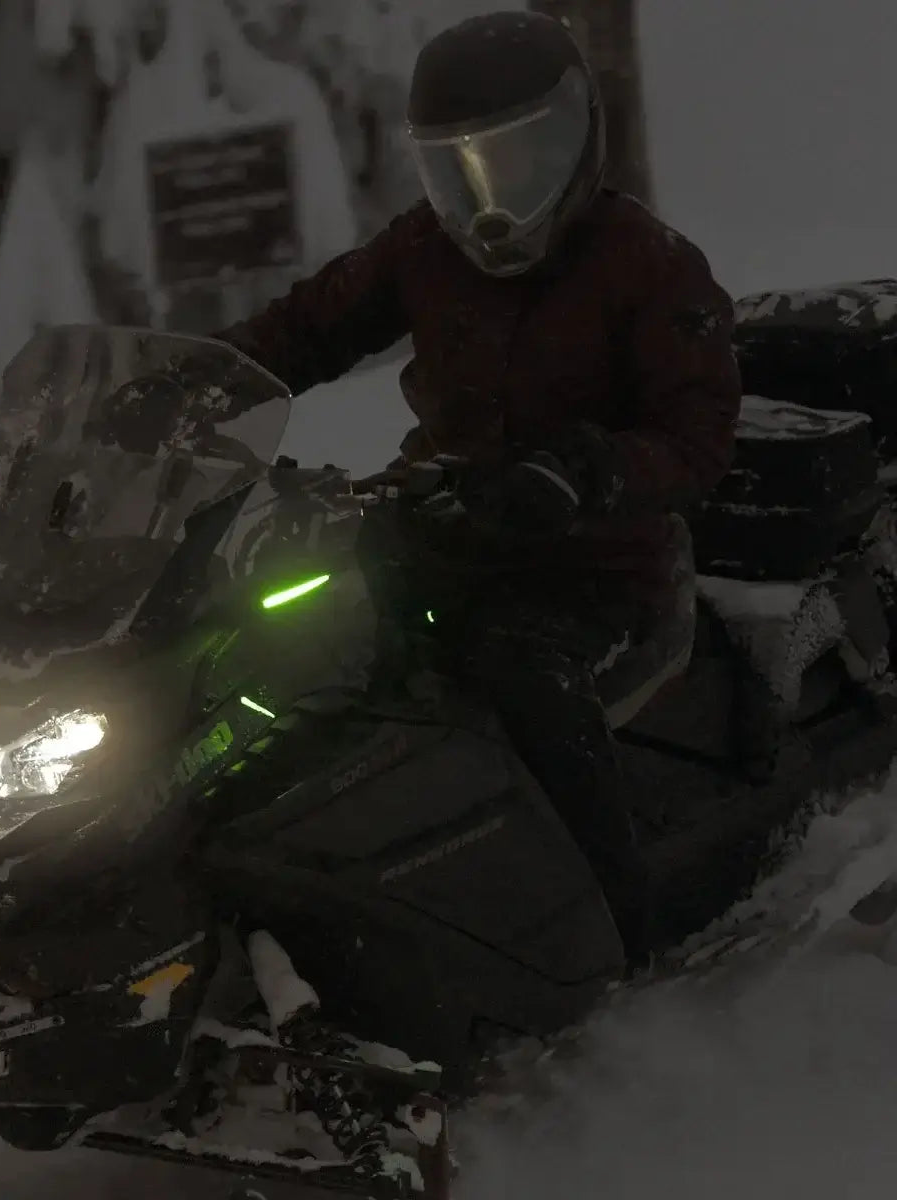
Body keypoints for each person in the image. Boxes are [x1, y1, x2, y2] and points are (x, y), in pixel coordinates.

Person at [159, 11, 740, 963]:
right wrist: (198, 386)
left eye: (518, 157)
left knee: (522, 681)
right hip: (444, 529)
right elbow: (309, 328)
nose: (488, 194)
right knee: (266, 644)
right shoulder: (424, 250)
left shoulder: (652, 267)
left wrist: (585, 471)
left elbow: (697, 437)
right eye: (458, 164)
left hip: (596, 568)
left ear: (578, 139)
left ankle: (618, 935)